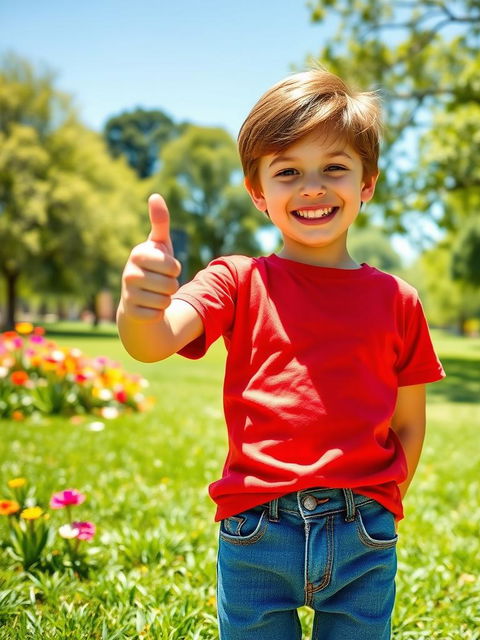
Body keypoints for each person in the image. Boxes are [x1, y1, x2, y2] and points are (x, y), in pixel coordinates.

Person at [117, 69, 445, 640]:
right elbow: (154, 341)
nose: (312, 187)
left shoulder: (399, 300)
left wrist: (379, 506)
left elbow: (409, 425)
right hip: (255, 535)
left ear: (367, 182)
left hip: (362, 534)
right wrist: (140, 307)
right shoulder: (237, 280)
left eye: (334, 168)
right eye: (288, 171)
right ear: (258, 192)